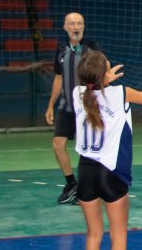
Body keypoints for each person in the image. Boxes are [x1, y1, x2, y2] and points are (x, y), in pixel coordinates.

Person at [73, 48, 142, 250]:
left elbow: (93, 90)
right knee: (118, 237)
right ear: (105, 73)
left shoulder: (77, 94)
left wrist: (103, 81)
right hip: (111, 173)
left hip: (85, 172)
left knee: (93, 235)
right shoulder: (120, 93)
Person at [45, 12, 100, 204]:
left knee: (88, 150)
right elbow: (59, 78)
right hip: (67, 107)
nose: (76, 27)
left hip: (88, 109)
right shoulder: (60, 50)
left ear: (83, 27)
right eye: (72, 24)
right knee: (58, 144)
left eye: (79, 24)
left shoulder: (91, 48)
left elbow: (103, 71)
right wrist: (50, 105)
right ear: (65, 27)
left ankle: (89, 187)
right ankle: (71, 184)